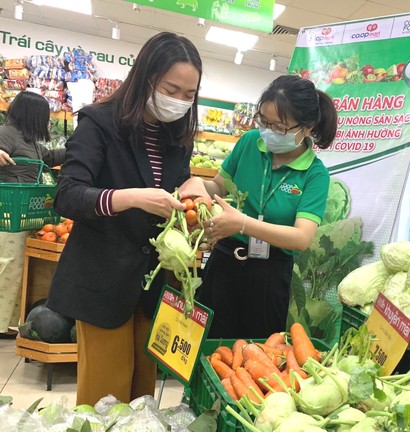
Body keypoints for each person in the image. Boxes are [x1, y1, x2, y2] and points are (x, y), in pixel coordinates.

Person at [46, 32, 202, 406]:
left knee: (141, 398)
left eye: (189, 94)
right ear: (146, 77)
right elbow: (67, 195)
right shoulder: (99, 123)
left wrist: (192, 190)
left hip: (150, 285)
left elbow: (174, 186)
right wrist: (129, 198)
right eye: (172, 88)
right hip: (102, 281)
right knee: (105, 397)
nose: (179, 101)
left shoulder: (176, 135)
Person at [179, 75, 337, 339]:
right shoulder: (250, 142)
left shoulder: (315, 174)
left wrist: (242, 224)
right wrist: (196, 184)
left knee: (257, 355)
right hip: (225, 262)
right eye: (264, 121)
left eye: (281, 127)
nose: (269, 131)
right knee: (208, 346)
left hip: (270, 274)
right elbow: (220, 186)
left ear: (307, 128)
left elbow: (301, 238)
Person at [0, 90, 65, 339]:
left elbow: (48, 157)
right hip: (8, 216)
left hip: (24, 216)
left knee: (17, 269)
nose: (47, 123)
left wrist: (77, 148)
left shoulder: (28, 141)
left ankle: (10, 322)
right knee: (8, 268)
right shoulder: (6, 134)